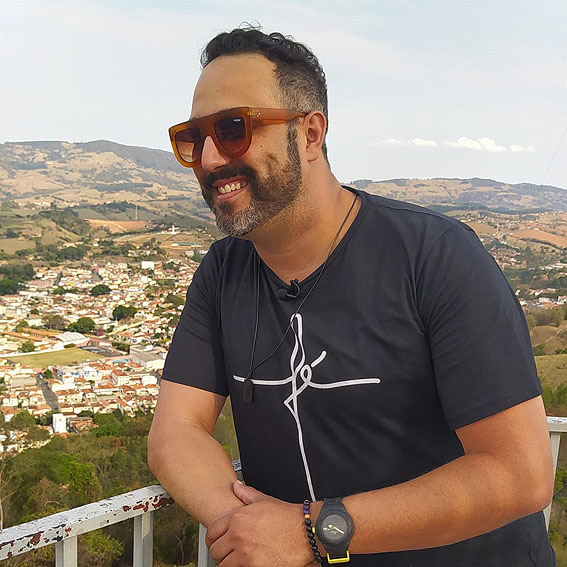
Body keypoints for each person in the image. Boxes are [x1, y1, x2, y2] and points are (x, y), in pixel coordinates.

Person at [148, 26, 555, 566]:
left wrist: (311, 532)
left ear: (310, 134)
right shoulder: (223, 273)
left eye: (232, 129)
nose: (208, 158)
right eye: (192, 138)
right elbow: (175, 432)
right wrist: (249, 530)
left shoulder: (435, 256)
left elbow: (521, 472)